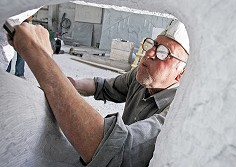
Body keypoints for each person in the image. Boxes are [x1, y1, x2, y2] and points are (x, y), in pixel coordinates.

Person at [7, 19, 189, 166]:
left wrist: (38, 56)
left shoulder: (178, 111)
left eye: (163, 53)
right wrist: (72, 84)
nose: (148, 53)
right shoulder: (140, 77)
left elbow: (114, 151)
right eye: (153, 44)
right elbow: (103, 86)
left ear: (181, 74)